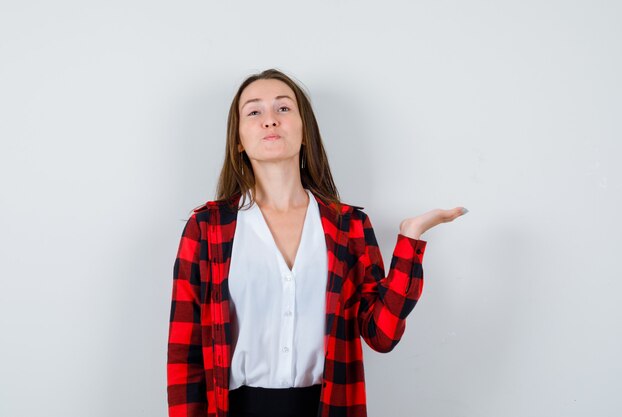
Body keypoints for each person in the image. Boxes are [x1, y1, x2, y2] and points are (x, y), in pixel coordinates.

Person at [167, 68, 467, 417]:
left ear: (305, 130)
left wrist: (409, 240)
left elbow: (381, 335)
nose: (270, 121)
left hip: (328, 406)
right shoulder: (206, 228)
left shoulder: (350, 226)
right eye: (254, 111)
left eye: (283, 108)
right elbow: (184, 355)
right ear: (238, 139)